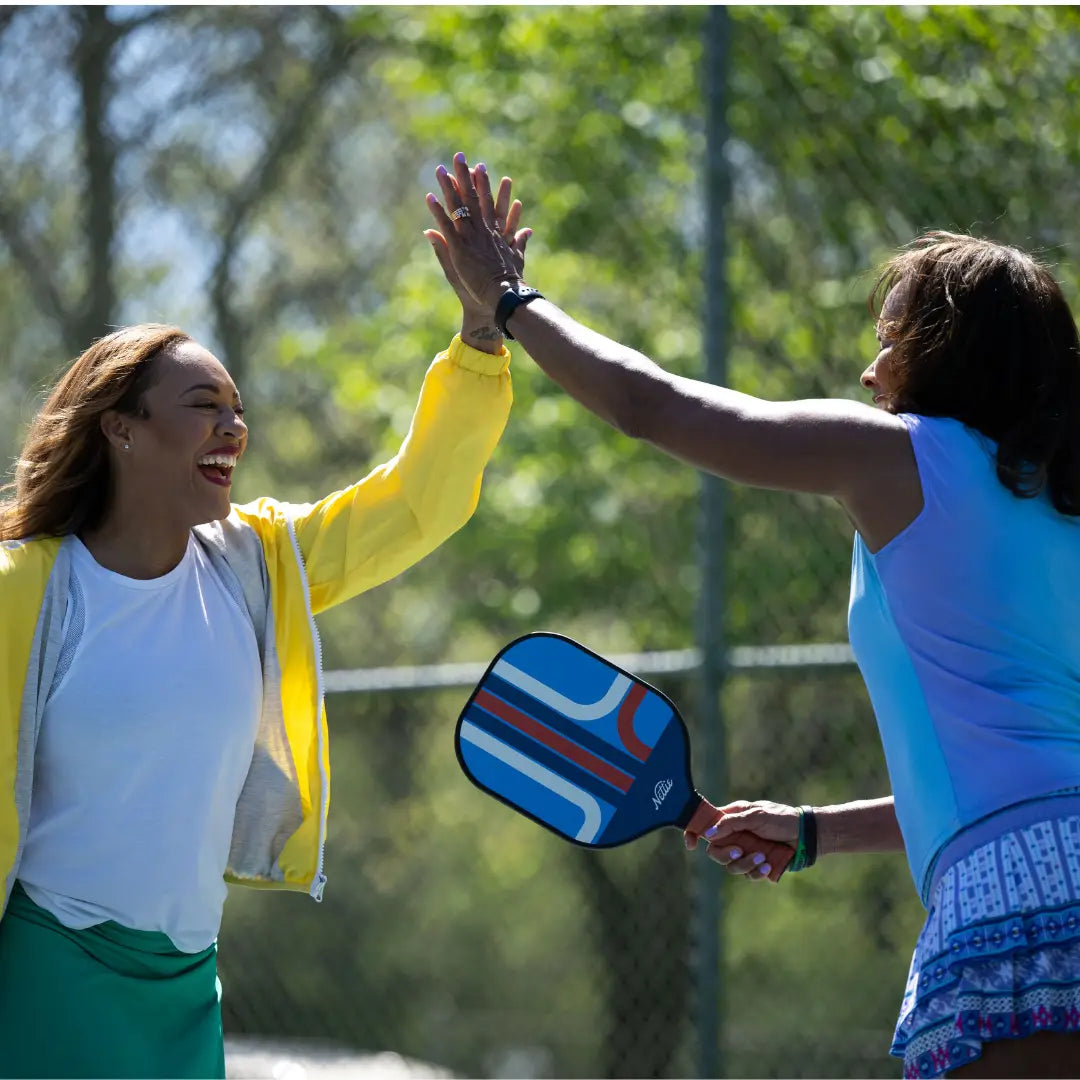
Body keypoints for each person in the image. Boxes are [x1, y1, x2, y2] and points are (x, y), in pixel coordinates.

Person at [424, 152, 1080, 1078]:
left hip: (1018, 899)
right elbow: (1017, 775)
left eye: (890, 338)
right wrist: (817, 830)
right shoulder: (1062, 505)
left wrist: (511, 304)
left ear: (945, 350)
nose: (867, 369)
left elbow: (655, 406)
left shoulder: (899, 459)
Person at [0, 178, 527, 1079]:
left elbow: (416, 501)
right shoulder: (28, 589)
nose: (235, 428)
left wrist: (484, 333)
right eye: (205, 406)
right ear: (122, 430)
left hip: (186, 985)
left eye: (238, 407)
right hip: (52, 970)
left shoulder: (258, 565)